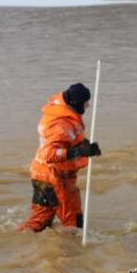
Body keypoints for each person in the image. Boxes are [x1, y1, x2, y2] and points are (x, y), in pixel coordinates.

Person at [19, 83, 102, 232]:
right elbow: (51, 154)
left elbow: (68, 139)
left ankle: (18, 243)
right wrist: (80, 152)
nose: (88, 106)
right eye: (85, 103)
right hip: (54, 177)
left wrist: (85, 145)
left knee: (41, 221)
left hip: (42, 173)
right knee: (73, 222)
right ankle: (71, 253)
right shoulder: (60, 124)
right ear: (76, 103)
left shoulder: (61, 115)